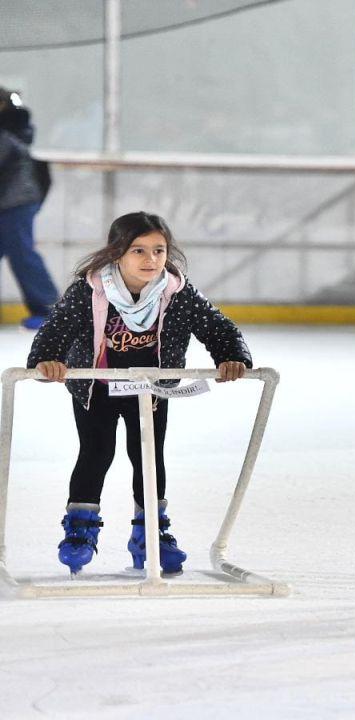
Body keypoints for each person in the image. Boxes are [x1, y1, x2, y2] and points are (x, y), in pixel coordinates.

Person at [27, 211, 252, 576]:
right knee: (96, 454)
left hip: (149, 391)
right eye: (139, 251)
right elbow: (56, 329)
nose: (151, 260)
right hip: (96, 390)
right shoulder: (91, 289)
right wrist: (46, 361)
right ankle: (80, 531)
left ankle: (150, 534)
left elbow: (217, 325)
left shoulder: (176, 291)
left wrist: (231, 355)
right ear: (117, 253)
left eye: (159, 251)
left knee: (148, 457)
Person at [0, 87, 59, 330]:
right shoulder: (13, 129)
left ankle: (49, 309)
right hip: (12, 201)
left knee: (22, 253)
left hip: (16, 202)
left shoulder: (6, 133)